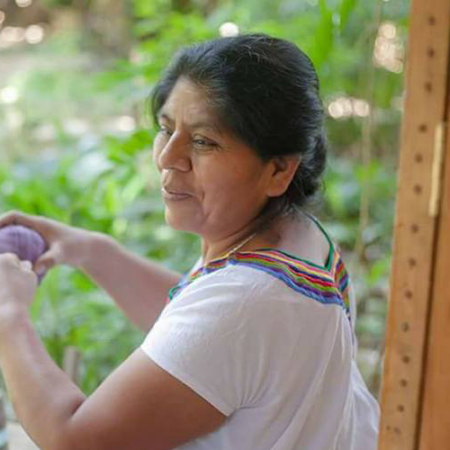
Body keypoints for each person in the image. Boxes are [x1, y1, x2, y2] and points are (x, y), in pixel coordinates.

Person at [0, 33, 379, 450]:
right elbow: (198, 337)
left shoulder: (247, 301)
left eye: (203, 141)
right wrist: (93, 251)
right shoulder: (299, 239)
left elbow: (73, 438)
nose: (168, 157)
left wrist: (9, 315)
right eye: (167, 129)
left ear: (278, 171)